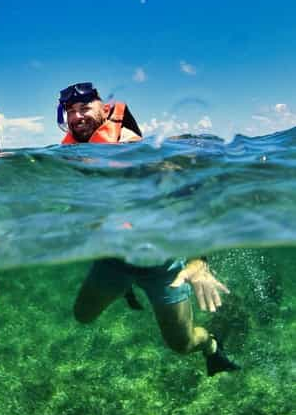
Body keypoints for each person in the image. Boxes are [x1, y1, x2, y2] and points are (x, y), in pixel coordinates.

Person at [58, 82, 240, 376]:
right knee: (82, 316)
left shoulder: (140, 154)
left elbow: (195, 202)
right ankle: (126, 286)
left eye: (84, 108)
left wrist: (199, 261)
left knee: (182, 344)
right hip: (114, 261)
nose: (76, 116)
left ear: (105, 109)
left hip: (162, 266)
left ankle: (212, 347)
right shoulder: (77, 155)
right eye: (70, 111)